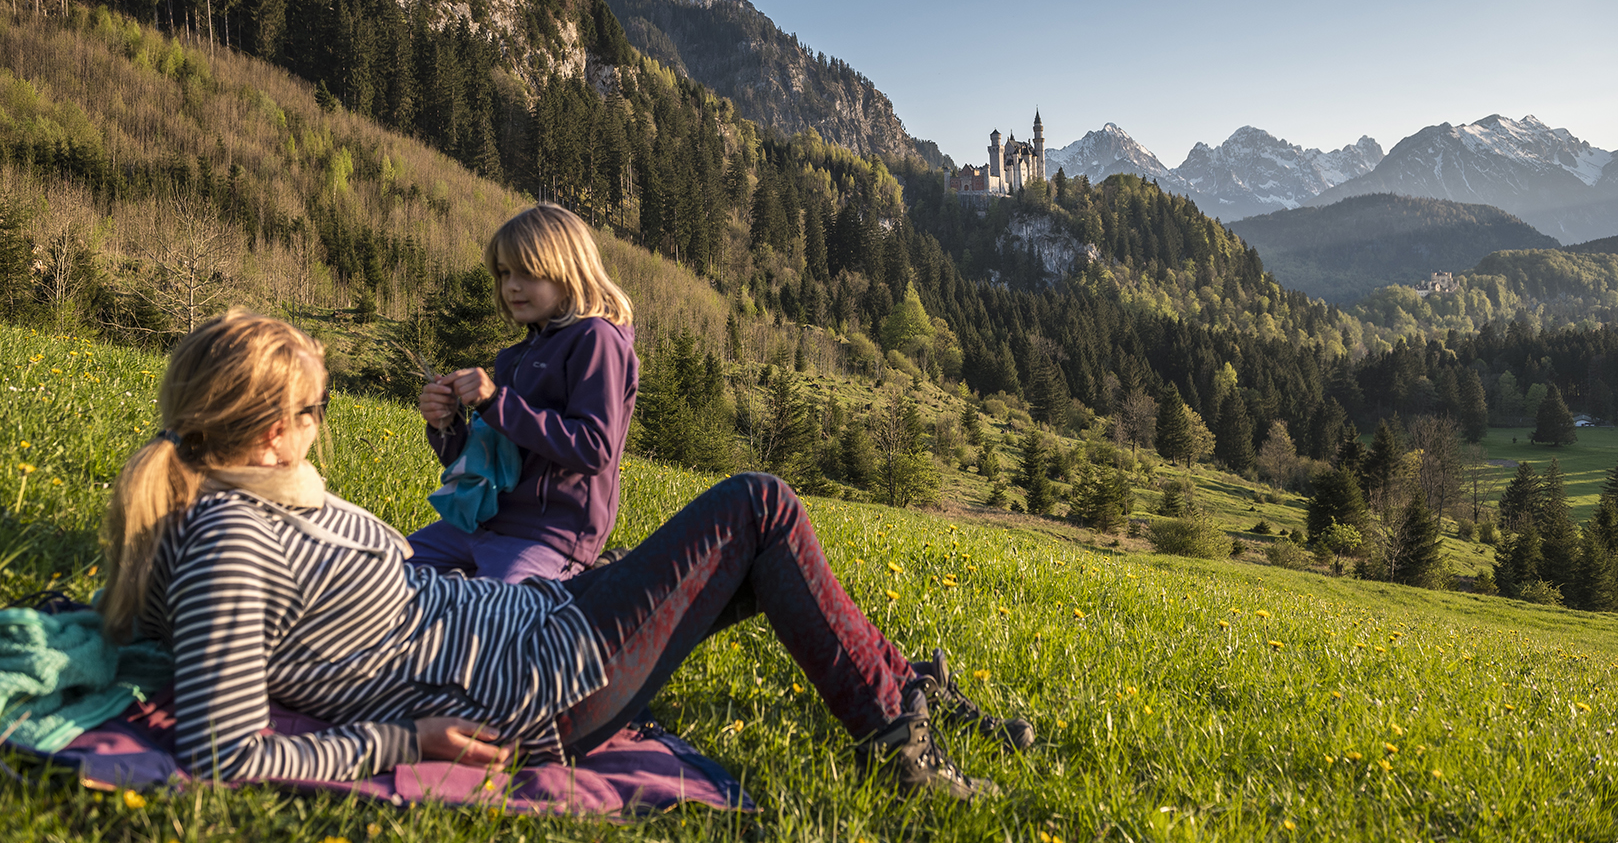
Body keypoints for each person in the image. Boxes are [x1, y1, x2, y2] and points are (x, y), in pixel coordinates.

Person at [96, 310, 1031, 800]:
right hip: (539, 682)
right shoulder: (230, 538)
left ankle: (901, 693)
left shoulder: (242, 507)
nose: (319, 428)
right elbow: (223, 754)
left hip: (537, 634)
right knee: (761, 505)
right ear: (269, 432)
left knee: (755, 543)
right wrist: (405, 742)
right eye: (315, 411)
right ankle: (901, 737)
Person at [411, 203, 639, 583]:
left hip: (550, 537)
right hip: (482, 524)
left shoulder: (597, 340)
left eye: (527, 272)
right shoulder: (515, 357)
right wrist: (447, 425)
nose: (511, 285)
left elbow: (594, 448)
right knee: (381, 581)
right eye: (504, 273)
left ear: (569, 271)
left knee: (493, 622)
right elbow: (492, 461)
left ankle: (594, 579)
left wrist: (497, 402)